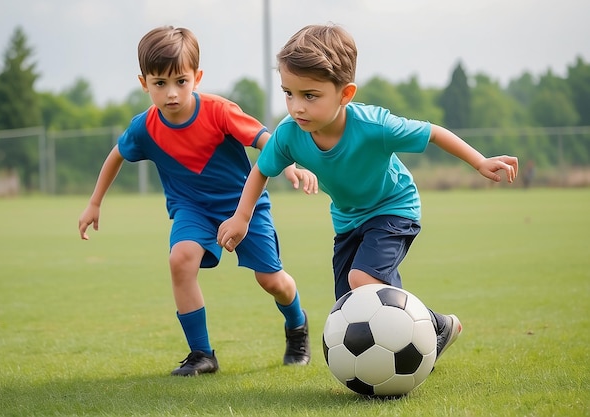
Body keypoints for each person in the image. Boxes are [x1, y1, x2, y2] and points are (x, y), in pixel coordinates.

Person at [218, 24, 519, 362]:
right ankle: (428, 333)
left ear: (345, 94)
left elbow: (433, 132)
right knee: (351, 304)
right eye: (288, 93)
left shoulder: (375, 126)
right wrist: (242, 217)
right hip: (348, 221)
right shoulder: (289, 135)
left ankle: (425, 335)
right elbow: (260, 170)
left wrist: (479, 162)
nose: (296, 107)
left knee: (363, 279)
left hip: (394, 208)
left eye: (310, 95)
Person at [78, 26, 317, 376]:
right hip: (192, 211)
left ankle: (297, 325)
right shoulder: (144, 127)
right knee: (181, 259)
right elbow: (117, 154)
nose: (171, 93)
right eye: (160, 83)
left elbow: (265, 138)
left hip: (243, 207)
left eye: (180, 81)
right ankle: (201, 354)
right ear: (144, 83)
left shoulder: (219, 111)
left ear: (197, 77)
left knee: (272, 281)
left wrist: (290, 165)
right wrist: (95, 202)